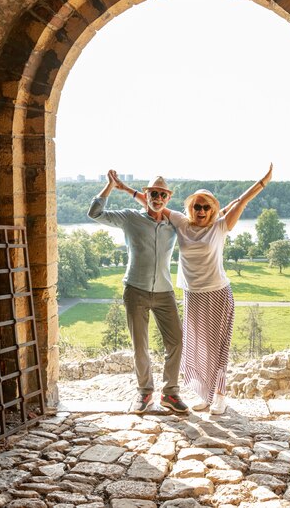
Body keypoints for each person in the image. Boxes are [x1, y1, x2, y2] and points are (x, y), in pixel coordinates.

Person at [159, 165, 273, 414]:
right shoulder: (181, 223)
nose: (201, 211)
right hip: (193, 295)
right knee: (197, 346)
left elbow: (242, 200)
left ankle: (220, 395)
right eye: (197, 206)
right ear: (190, 208)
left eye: (206, 207)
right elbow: (154, 203)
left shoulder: (220, 226)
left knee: (218, 347)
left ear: (213, 209)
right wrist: (123, 188)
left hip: (218, 294)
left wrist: (263, 182)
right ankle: (205, 394)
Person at [88, 171, 188, 414]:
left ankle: (170, 393)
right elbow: (95, 213)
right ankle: (145, 393)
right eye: (153, 193)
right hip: (136, 290)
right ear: (147, 194)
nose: (157, 197)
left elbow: (201, 226)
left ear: (168, 197)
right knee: (140, 346)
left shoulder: (173, 224)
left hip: (164, 292)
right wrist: (110, 186)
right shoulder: (130, 218)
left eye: (162, 194)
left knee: (175, 342)